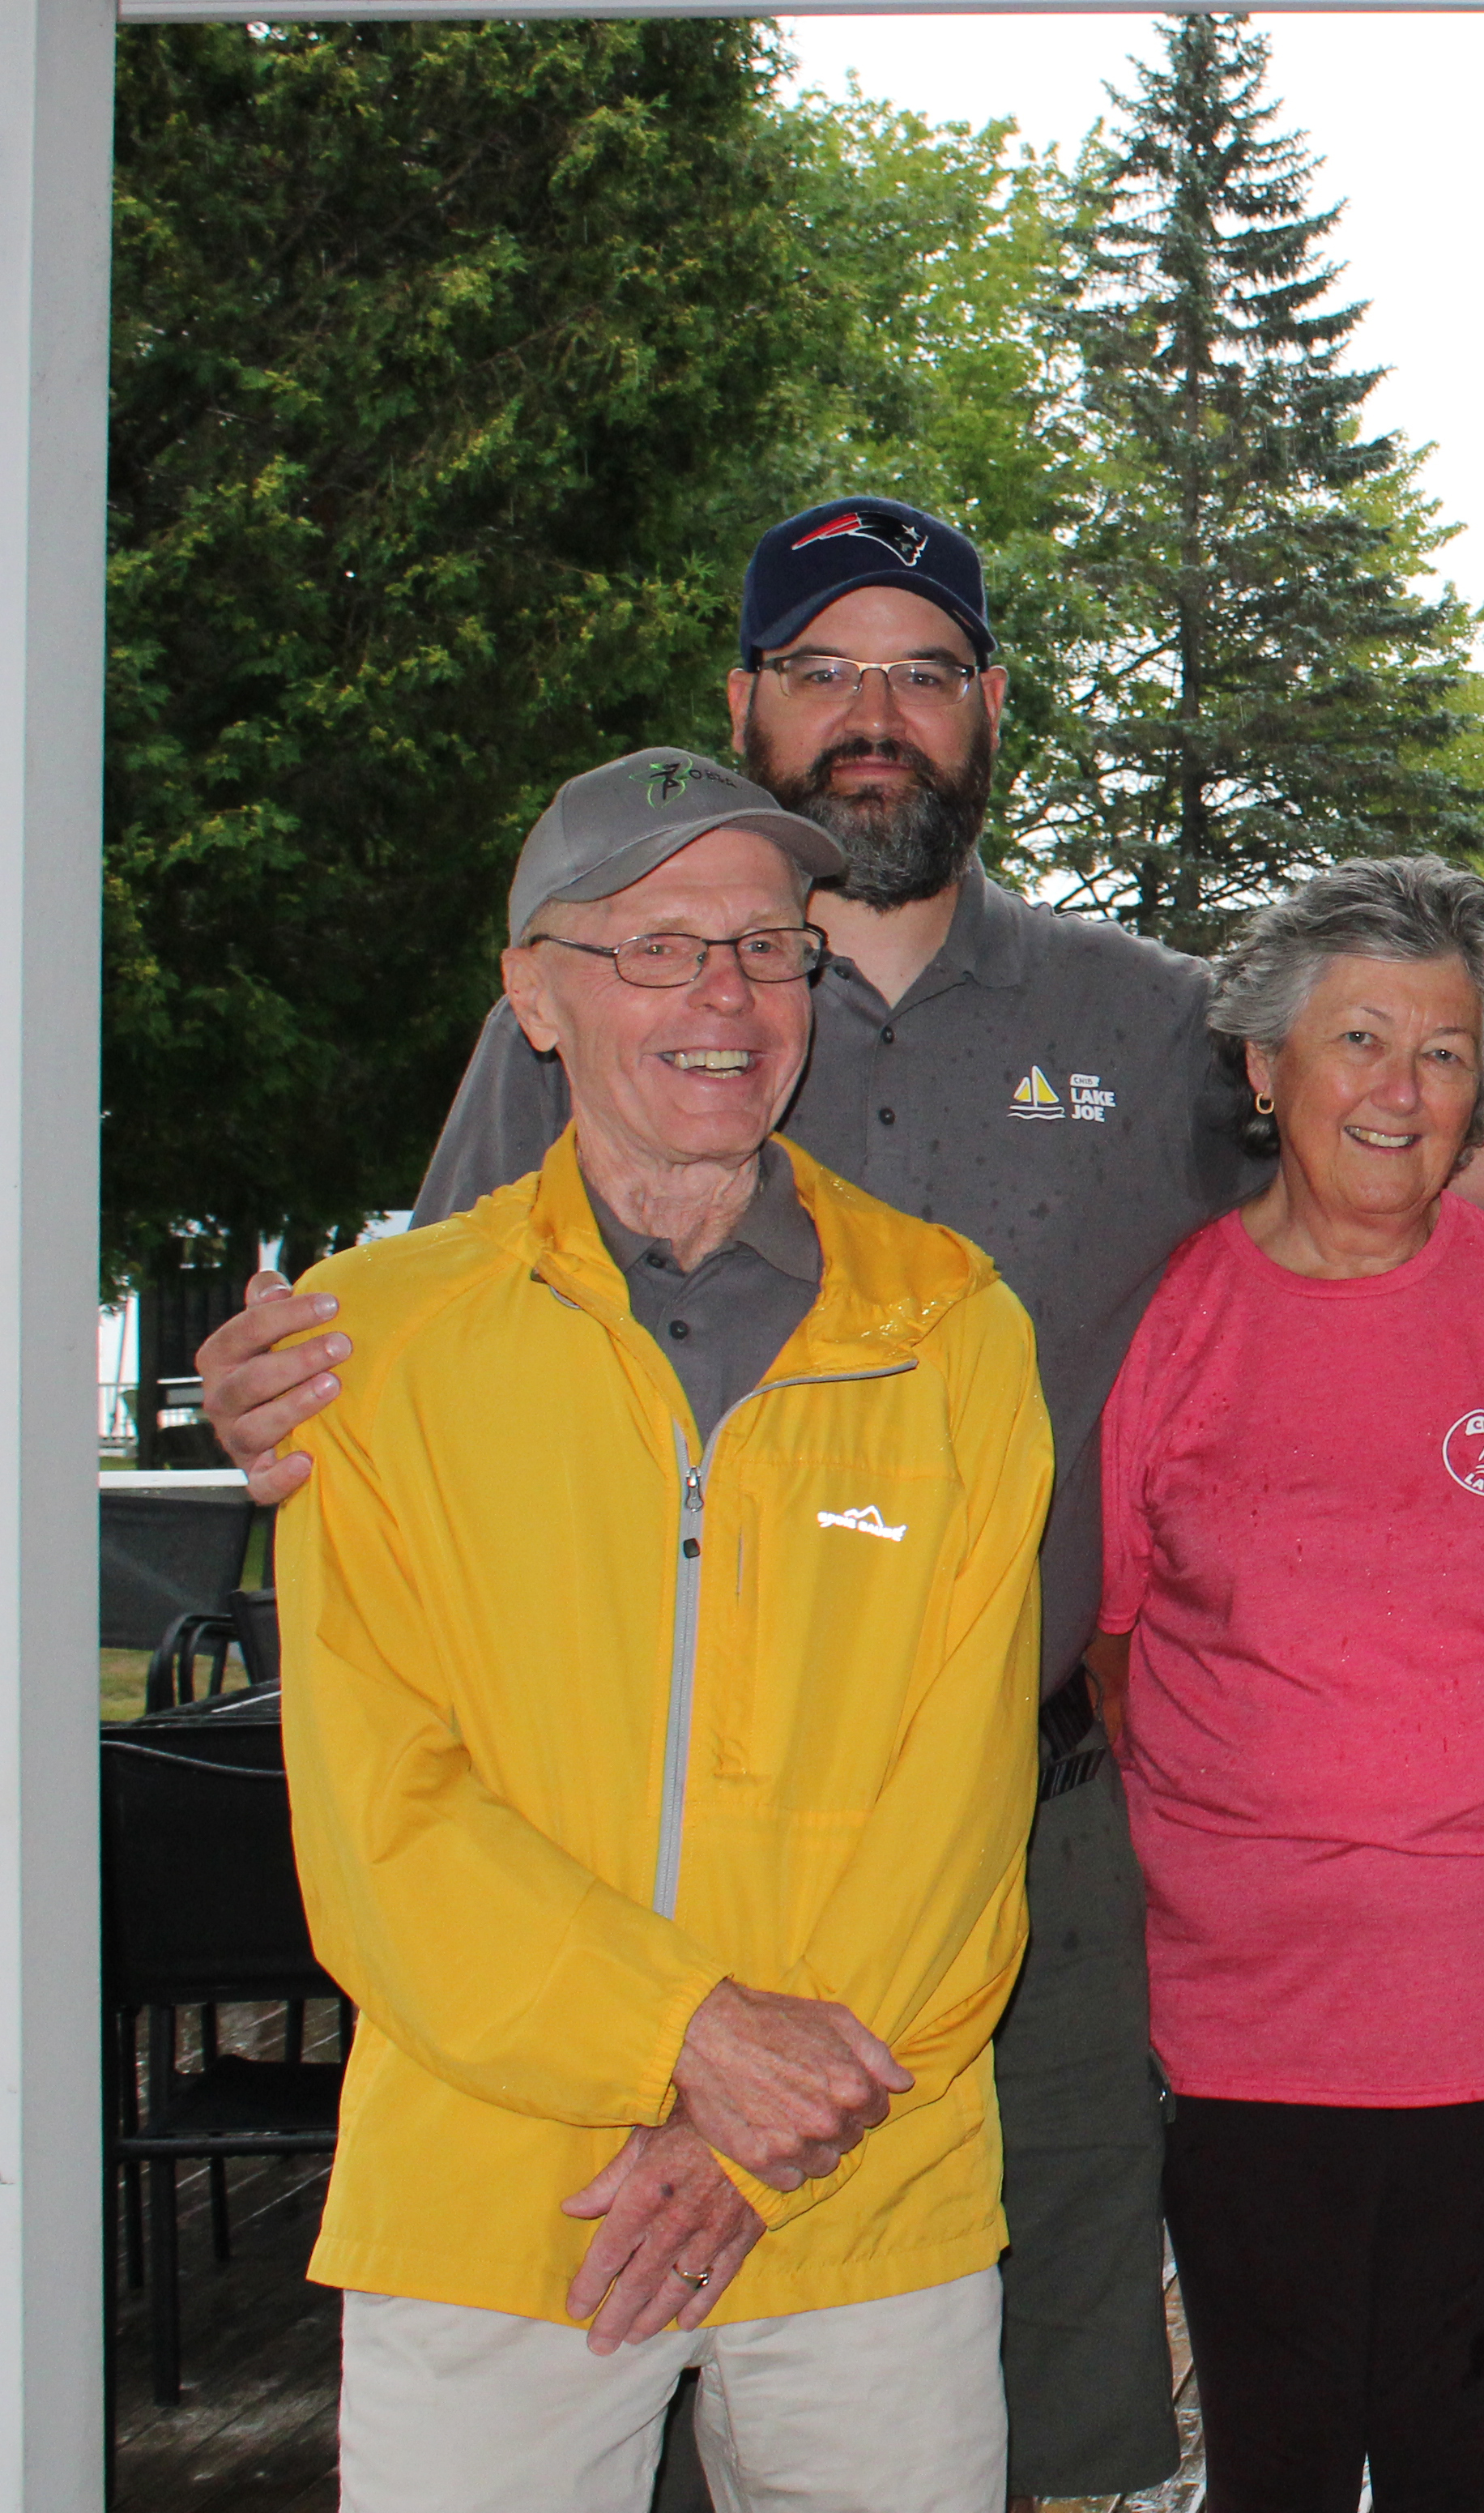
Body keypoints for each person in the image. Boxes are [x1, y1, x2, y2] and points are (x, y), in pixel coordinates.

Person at [190, 496, 1484, 2507]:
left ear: (988, 709)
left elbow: (1400, 1107)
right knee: (612, 2363)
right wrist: (286, 1384)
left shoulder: (1136, 1013)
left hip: (1020, 1830)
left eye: (921, 672)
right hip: (609, 1837)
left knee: (1007, 2390)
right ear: (747, 701)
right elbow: (450, 1341)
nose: (873, 713)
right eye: (824, 669)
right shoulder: (604, 1028)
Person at [279, 750, 1051, 2510]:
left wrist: (754, 2131)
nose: (723, 997)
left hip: (868, 2181)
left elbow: (961, 1800)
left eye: (769, 949)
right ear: (535, 997)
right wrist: (684, 2040)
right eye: (656, 948)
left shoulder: (949, 1331)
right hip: (501, 2186)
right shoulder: (375, 1347)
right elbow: (382, 1809)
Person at [1085, 858, 1484, 2512]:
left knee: (1462, 2446)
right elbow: (1119, 1649)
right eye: (1358, 1040)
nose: (1399, 1092)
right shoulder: (1171, 1324)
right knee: (1272, 2449)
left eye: (1445, 1053)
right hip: (1251, 2005)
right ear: (1267, 1069)